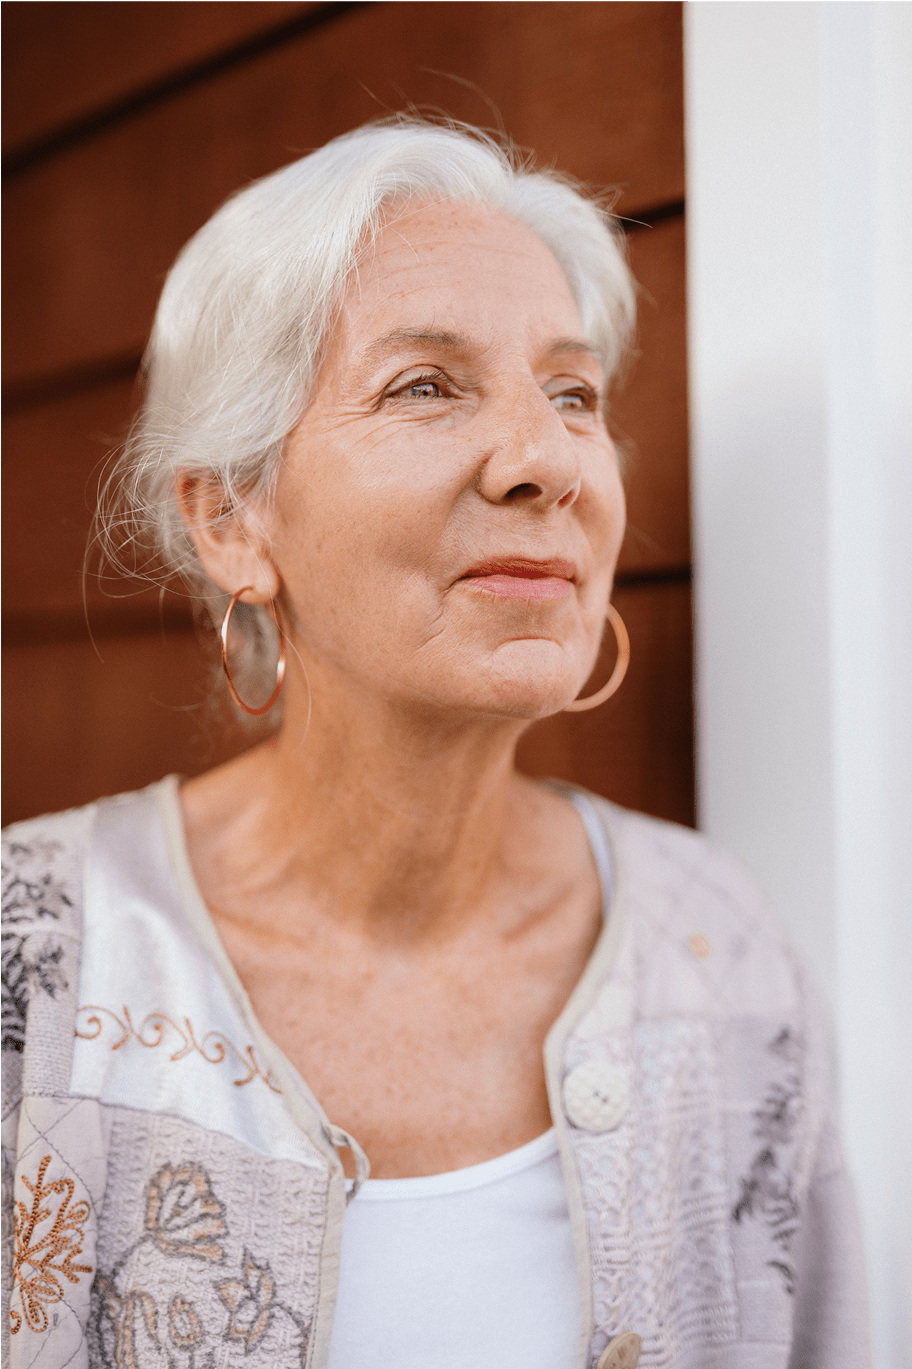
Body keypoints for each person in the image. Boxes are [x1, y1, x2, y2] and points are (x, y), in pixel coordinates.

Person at [1, 118, 869, 1369]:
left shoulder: (717, 948)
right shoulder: (38, 966)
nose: (546, 460)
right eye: (426, 384)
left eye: (572, 392)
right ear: (232, 520)